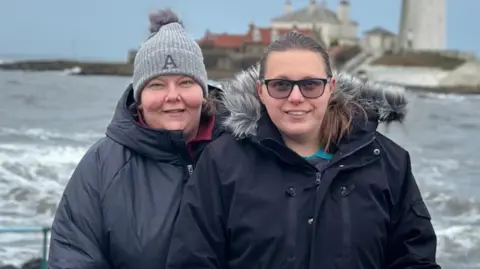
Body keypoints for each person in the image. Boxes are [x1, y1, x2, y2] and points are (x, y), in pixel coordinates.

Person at [166, 31, 441, 269]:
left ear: (330, 88)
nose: (295, 98)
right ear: (261, 91)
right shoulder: (222, 163)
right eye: (281, 85)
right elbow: (193, 259)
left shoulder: (388, 162)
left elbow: (413, 259)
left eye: (310, 85)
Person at [47, 9, 225, 269]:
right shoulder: (101, 167)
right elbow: (73, 256)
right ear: (139, 98)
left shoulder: (244, 151)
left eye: (186, 82)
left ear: (204, 91)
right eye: (157, 85)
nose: (172, 96)